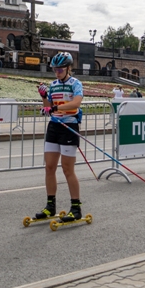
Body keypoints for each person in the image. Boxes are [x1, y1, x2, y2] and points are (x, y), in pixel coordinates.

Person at [33, 52, 85, 223]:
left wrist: (57, 108)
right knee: (49, 167)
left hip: (69, 127)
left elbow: (76, 103)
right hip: (54, 127)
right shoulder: (53, 85)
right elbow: (48, 107)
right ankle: (50, 206)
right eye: (55, 69)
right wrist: (43, 98)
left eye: (60, 69)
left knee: (67, 169)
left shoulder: (75, 83)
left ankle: (76, 207)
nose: (57, 72)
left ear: (68, 68)